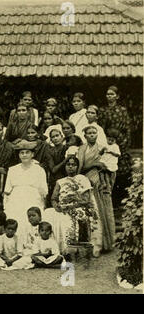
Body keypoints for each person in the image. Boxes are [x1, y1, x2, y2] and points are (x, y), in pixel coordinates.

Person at [77, 126, 115, 254]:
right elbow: (80, 167)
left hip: (99, 181)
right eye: (89, 133)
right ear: (85, 136)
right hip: (86, 180)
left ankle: (103, 243)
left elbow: (109, 164)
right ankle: (89, 243)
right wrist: (94, 164)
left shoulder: (102, 148)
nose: (92, 135)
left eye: (94, 133)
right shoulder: (82, 149)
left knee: (100, 210)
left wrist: (103, 167)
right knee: (89, 211)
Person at [3, 140, 48, 239]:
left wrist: (42, 205)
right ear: (19, 155)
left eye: (27, 152)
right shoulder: (12, 169)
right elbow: (7, 191)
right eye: (22, 153)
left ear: (32, 154)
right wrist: (6, 206)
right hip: (16, 199)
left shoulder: (39, 170)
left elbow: (44, 191)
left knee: (31, 222)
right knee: (15, 219)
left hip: (33, 199)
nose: (24, 155)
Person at [98, 86, 132, 200]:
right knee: (107, 169)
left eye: (112, 94)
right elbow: (101, 129)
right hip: (107, 142)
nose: (109, 96)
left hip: (121, 142)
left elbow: (127, 128)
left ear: (117, 96)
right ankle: (110, 199)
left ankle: (121, 198)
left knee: (122, 170)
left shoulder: (122, 110)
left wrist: (123, 144)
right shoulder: (103, 110)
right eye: (107, 94)